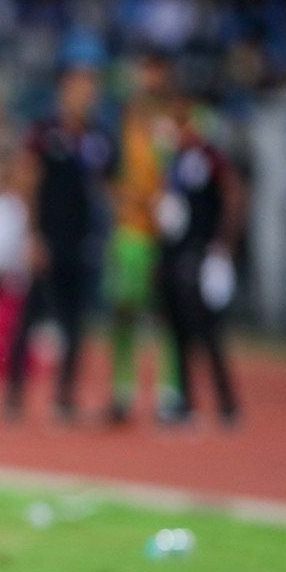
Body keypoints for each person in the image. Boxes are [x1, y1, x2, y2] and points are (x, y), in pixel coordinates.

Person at [3, 65, 113, 422]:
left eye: (91, 89)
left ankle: (65, 398)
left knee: (76, 322)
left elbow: (109, 186)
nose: (86, 96)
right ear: (64, 90)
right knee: (31, 317)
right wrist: (33, 236)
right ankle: (14, 396)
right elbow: (27, 181)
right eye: (80, 88)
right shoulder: (44, 132)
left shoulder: (98, 137)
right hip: (48, 238)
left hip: (83, 240)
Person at [156, 101, 243, 424]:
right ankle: (184, 401)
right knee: (177, 330)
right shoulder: (175, 161)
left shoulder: (210, 158)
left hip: (201, 253)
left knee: (206, 331)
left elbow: (235, 195)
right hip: (174, 253)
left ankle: (227, 403)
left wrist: (223, 244)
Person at [104, 52, 179, 423]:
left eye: (153, 70)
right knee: (124, 309)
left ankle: (170, 392)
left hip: (163, 233)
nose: (146, 78)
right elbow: (108, 173)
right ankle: (123, 390)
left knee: (166, 312)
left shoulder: (176, 122)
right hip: (129, 230)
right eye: (142, 70)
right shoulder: (123, 121)